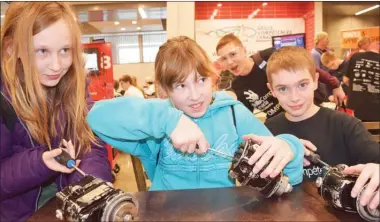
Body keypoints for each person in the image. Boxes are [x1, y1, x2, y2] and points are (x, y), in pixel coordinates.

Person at [87, 36, 304, 191]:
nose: (195, 95)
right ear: (165, 90)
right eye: (181, 86)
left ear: (212, 77)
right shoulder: (157, 125)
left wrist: (289, 147)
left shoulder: (234, 115)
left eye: (201, 80)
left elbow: (287, 175)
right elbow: (96, 117)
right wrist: (167, 119)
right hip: (166, 213)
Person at [0, 2, 112, 221]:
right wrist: (39, 163)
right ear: (12, 48)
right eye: (42, 51)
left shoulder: (75, 84)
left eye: (65, 50)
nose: (56, 65)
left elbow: (90, 145)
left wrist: (94, 186)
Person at [263, 46, 379, 210]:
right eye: (283, 89)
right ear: (272, 90)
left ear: (316, 80)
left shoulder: (346, 125)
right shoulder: (268, 131)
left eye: (302, 85)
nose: (294, 97)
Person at [215, 33, 345, 119]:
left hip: (307, 114)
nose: (230, 62)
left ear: (244, 50)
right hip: (283, 128)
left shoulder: (266, 57)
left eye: (233, 54)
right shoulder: (238, 86)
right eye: (224, 58)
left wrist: (334, 84)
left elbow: (306, 67)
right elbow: (246, 117)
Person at [344, 50, 380, 122]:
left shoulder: (355, 57)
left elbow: (345, 80)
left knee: (352, 130)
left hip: (354, 110)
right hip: (376, 111)